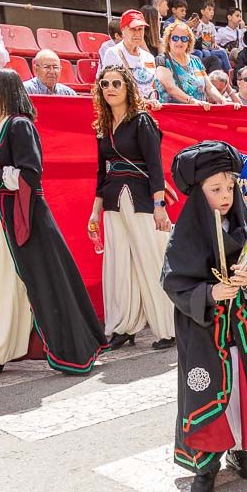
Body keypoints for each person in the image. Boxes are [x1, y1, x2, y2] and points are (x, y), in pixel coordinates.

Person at [0, 68, 106, 378]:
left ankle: (64, 349)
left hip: (24, 216)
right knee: (3, 283)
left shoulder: (19, 126)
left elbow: (30, 174)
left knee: (43, 280)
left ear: (3, 88)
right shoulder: (6, 126)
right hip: (8, 214)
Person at [162, 141, 247, 492]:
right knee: (207, 391)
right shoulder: (186, 233)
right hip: (204, 334)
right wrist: (210, 294)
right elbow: (173, 282)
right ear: (199, 193)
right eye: (215, 189)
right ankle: (206, 461)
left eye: (230, 187)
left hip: (240, 332)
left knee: (240, 391)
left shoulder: (244, 225)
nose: (226, 195)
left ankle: (240, 449)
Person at [89, 64, 176, 352]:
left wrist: (159, 205)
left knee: (150, 260)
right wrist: (94, 212)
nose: (110, 88)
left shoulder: (142, 121)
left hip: (140, 199)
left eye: (116, 83)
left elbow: (155, 166)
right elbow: (102, 174)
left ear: (128, 87)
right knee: (118, 265)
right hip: (113, 200)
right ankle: (123, 327)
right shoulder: (103, 127)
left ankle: (168, 327)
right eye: (105, 84)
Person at [155, 21, 233, 108]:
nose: (179, 42)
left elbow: (209, 87)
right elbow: (170, 88)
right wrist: (192, 101)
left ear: (189, 41)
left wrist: (223, 100)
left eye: (184, 38)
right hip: (174, 115)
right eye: (175, 38)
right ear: (168, 40)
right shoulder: (162, 60)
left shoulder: (196, 60)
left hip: (198, 113)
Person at [101, 9, 161, 106]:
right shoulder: (113, 53)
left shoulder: (149, 57)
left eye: (140, 29)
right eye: (133, 29)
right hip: (125, 110)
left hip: (147, 110)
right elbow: (110, 89)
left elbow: (152, 86)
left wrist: (154, 101)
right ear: (123, 30)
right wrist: (141, 101)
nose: (137, 33)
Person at [192, 0, 230, 74]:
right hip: (202, 48)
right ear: (202, 11)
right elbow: (195, 39)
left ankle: (229, 73)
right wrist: (195, 28)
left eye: (213, 10)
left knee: (222, 52)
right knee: (207, 53)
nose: (212, 12)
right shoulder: (199, 23)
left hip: (209, 48)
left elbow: (213, 41)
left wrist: (214, 44)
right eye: (209, 10)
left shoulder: (212, 25)